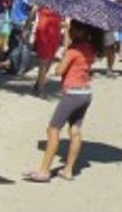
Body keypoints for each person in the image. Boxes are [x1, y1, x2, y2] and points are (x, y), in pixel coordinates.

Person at [24, 22, 99, 183]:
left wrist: (63, 56)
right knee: (75, 130)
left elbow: (59, 71)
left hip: (72, 94)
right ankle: (68, 170)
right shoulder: (90, 48)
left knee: (53, 129)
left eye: (72, 29)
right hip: (86, 93)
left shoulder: (73, 51)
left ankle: (44, 170)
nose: (70, 31)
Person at [33, 0, 64, 97]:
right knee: (44, 61)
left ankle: (38, 83)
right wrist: (27, 28)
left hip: (55, 31)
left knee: (50, 60)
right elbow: (33, 11)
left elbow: (65, 17)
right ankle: (41, 89)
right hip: (43, 30)